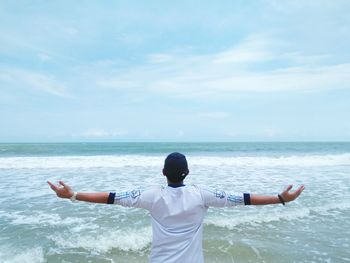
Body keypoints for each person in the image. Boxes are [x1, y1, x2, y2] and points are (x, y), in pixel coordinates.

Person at [47, 152, 305, 263]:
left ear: (163, 172)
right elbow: (243, 198)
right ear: (187, 172)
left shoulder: (150, 195)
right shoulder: (202, 195)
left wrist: (74, 195)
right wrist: (280, 199)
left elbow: (111, 197)